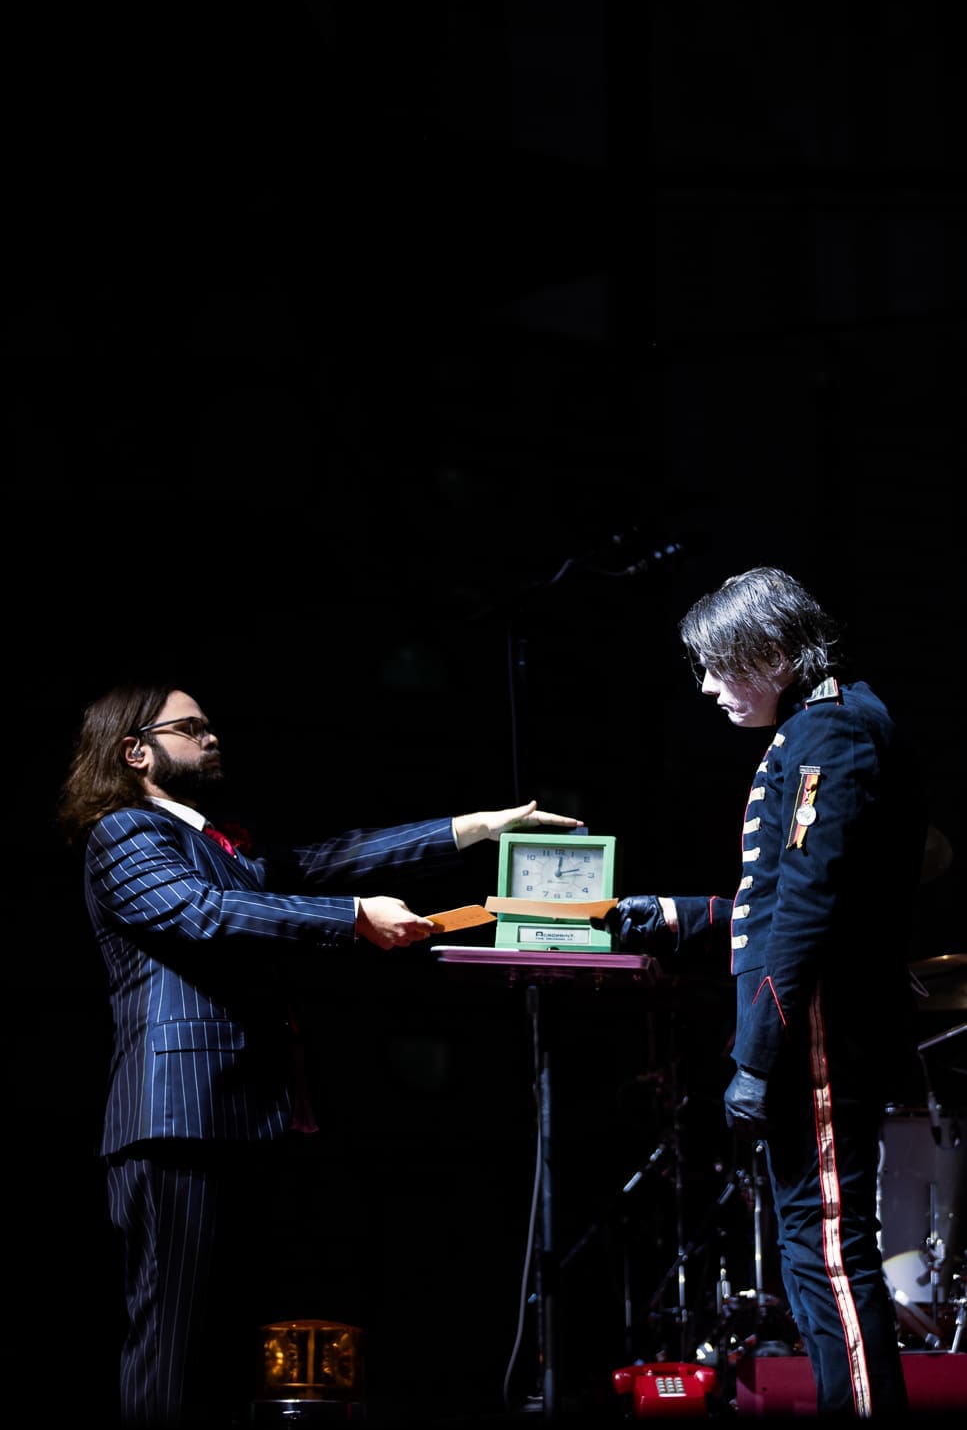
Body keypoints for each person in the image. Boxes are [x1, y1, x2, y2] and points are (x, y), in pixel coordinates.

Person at [56, 680, 583, 1430]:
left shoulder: (215, 840)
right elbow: (201, 912)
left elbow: (329, 857)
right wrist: (352, 918)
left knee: (221, 1346)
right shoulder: (126, 832)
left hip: (235, 1115)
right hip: (177, 1119)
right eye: (191, 726)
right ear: (134, 750)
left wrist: (473, 828)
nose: (212, 737)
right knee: (172, 1346)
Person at [595, 566, 926, 1420]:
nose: (707, 688)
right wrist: (671, 915)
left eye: (719, 666)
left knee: (824, 1248)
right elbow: (783, 896)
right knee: (806, 1248)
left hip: (816, 1024)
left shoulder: (832, 730)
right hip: (809, 1016)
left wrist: (754, 1056)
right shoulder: (826, 725)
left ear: (773, 654)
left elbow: (812, 910)